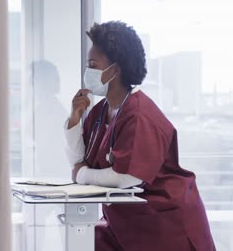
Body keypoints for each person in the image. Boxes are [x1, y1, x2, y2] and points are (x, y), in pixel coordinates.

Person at [64, 21, 215, 251]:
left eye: (94, 65)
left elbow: (129, 177)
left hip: (164, 223)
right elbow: (78, 160)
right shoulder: (100, 111)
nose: (88, 72)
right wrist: (75, 119)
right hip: (126, 222)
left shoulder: (140, 114)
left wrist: (83, 175)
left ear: (115, 70)